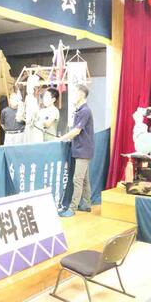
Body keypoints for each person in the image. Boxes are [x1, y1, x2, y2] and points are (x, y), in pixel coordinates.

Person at [59, 85, 94, 217]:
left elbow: (77, 131)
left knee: (77, 180)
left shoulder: (85, 111)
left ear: (81, 94)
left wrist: (61, 138)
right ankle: (87, 204)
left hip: (83, 150)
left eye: (74, 93)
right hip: (82, 149)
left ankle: (72, 208)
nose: (73, 96)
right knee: (84, 180)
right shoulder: (80, 110)